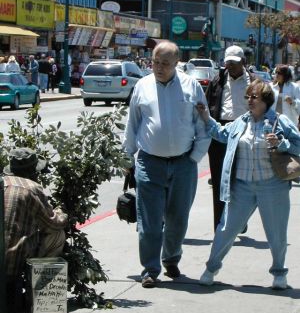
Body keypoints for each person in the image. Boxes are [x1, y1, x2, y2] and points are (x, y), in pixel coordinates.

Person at [122, 41, 211, 288]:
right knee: (149, 221)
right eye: (155, 62)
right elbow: (133, 124)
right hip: (150, 162)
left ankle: (171, 259)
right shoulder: (142, 86)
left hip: (183, 164)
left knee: (178, 218)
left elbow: (203, 125)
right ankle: (150, 269)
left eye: (165, 64)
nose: (159, 68)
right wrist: (127, 157)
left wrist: (194, 157)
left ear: (176, 63)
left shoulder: (191, 87)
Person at [197, 79, 300, 289]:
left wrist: (281, 143)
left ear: (266, 100)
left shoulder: (280, 122)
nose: (249, 100)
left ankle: (279, 273)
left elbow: (298, 145)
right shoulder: (241, 122)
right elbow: (221, 134)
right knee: (226, 229)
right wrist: (206, 117)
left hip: (272, 185)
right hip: (241, 186)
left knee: (277, 232)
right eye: (248, 96)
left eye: (254, 97)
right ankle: (211, 268)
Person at [3, 147, 67, 311]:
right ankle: (39, 294)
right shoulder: (32, 188)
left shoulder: (2, 184)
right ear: (33, 172)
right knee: (57, 235)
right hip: (12, 263)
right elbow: (53, 223)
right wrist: (61, 213)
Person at [205, 45, 252, 231]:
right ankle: (220, 224)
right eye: (228, 63)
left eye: (235, 63)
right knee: (219, 181)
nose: (231, 66)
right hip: (220, 133)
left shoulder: (253, 82)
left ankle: (240, 219)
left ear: (244, 63)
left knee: (240, 181)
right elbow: (208, 106)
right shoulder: (218, 80)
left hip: (244, 134)